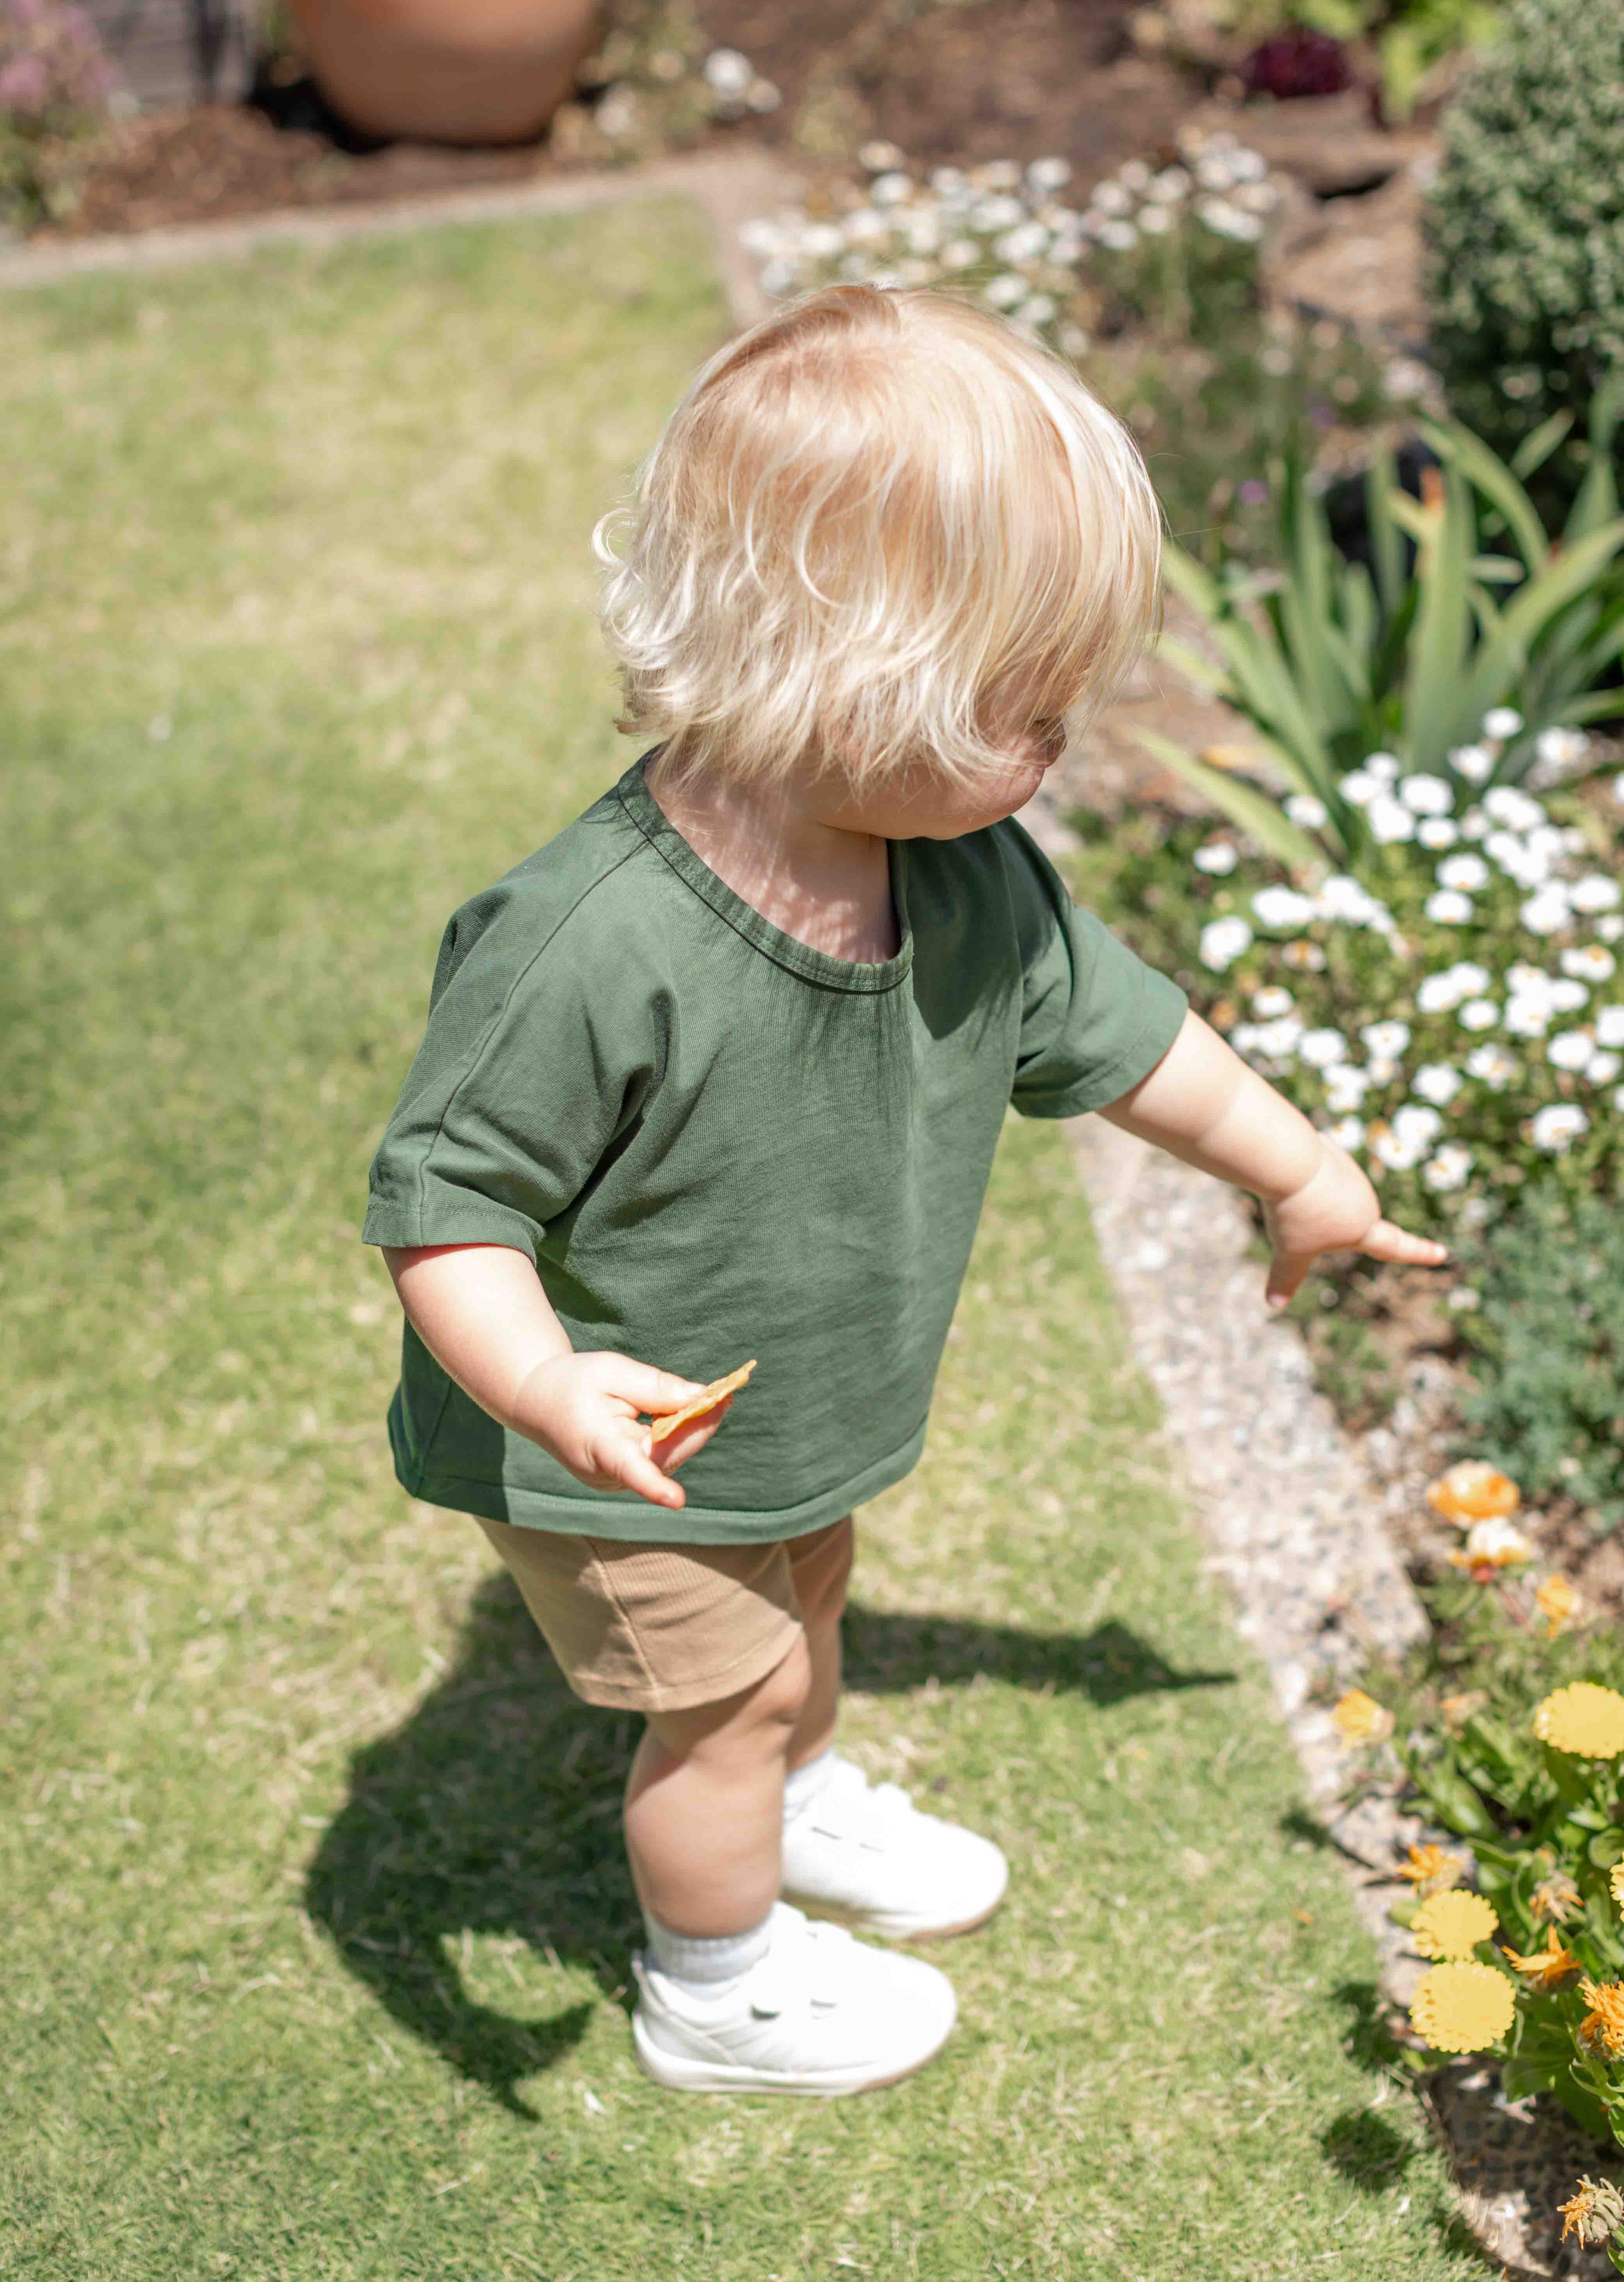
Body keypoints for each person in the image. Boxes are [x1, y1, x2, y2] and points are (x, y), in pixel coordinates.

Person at [362, 284, 1445, 2098]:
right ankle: (715, 1987)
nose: (1060, 748)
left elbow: (1127, 1035)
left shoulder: (962, 875)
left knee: (808, 1610)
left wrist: (1298, 1171)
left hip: (793, 1420)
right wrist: (550, 1390)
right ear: (836, 672)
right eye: (1019, 706)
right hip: (620, 1449)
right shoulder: (588, 944)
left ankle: (794, 1791)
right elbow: (446, 1204)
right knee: (717, 1710)